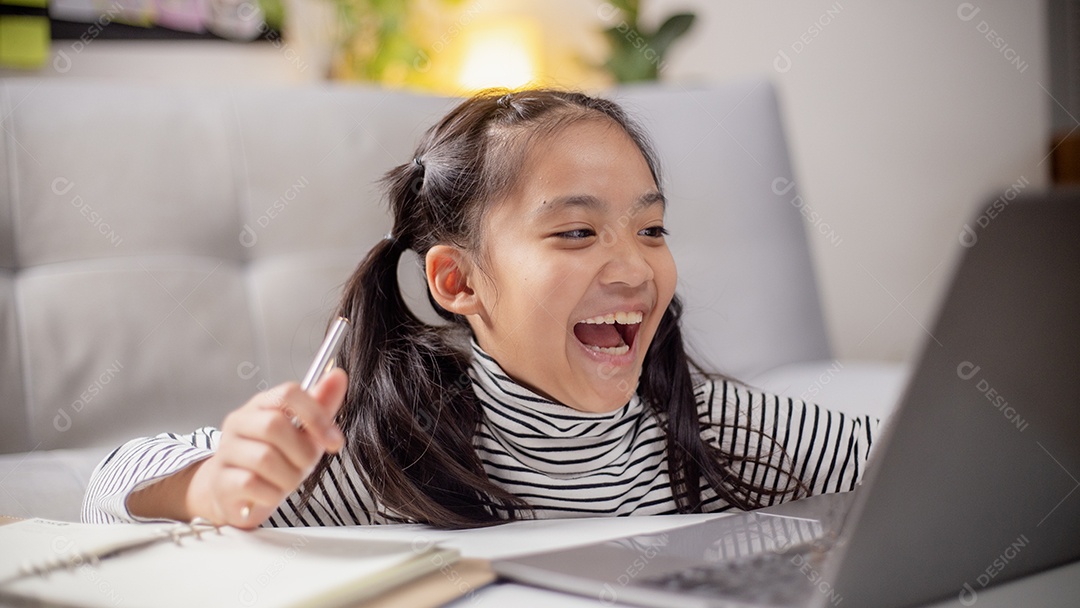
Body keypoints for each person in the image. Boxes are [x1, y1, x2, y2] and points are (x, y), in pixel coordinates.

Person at [83, 89, 878, 529]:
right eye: (576, 231)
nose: (634, 265)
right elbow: (106, 488)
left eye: (651, 228)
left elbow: (917, 465)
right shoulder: (387, 455)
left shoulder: (715, 433)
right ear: (458, 283)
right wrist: (207, 492)